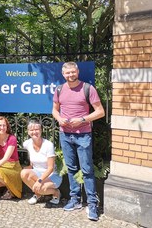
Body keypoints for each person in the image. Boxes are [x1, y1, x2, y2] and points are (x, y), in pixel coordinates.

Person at [52, 61, 104, 221]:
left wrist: (82, 119)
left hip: (83, 135)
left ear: (78, 72)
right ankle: (75, 200)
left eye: (73, 72)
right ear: (63, 74)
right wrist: (59, 119)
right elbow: (54, 109)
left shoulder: (88, 88)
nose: (70, 75)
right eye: (67, 73)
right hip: (65, 135)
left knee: (87, 170)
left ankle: (92, 204)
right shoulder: (59, 89)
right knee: (71, 169)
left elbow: (100, 111)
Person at [20, 120, 62, 205]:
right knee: (23, 173)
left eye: (36, 129)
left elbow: (50, 168)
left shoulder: (48, 145)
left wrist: (39, 181)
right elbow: (30, 162)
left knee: (41, 188)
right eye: (31, 130)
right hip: (37, 172)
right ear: (28, 132)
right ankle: (38, 194)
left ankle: (56, 192)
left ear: (41, 130)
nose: (34, 132)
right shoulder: (26, 144)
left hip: (52, 175)